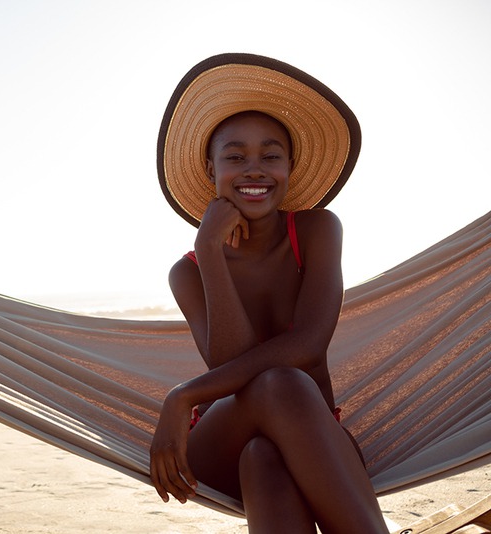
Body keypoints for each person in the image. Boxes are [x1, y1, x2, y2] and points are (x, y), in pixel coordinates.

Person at [150, 53, 389, 533]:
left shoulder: (317, 230)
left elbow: (308, 345)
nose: (254, 170)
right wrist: (209, 250)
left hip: (311, 434)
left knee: (266, 452)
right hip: (222, 441)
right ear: (211, 169)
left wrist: (182, 395)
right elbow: (232, 368)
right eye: (235, 157)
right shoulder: (188, 272)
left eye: (271, 156)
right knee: (279, 384)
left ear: (290, 166)